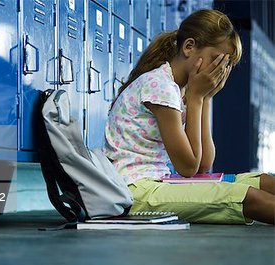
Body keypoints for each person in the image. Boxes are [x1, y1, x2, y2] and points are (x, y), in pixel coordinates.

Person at [103, 9, 275, 225]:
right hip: (135, 191)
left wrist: (205, 98)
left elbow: (203, 165)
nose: (220, 70)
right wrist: (196, 98)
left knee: (265, 182)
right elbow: (188, 167)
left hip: (159, 182)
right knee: (248, 197)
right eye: (216, 60)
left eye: (226, 65)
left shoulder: (179, 88)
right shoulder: (160, 86)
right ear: (189, 47)